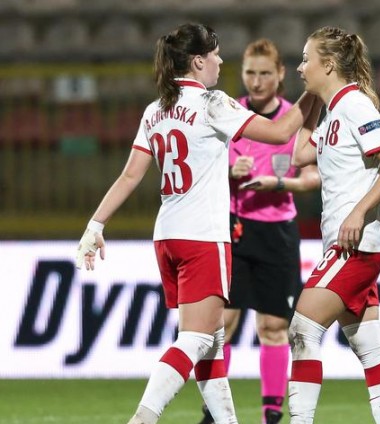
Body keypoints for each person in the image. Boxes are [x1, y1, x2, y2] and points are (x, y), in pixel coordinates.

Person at [75, 23, 315, 424]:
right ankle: (143, 417)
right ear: (199, 61)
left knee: (213, 341)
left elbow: (130, 176)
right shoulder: (212, 103)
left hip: (167, 237)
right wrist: (316, 89)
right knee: (197, 339)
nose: (221, 62)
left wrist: (95, 226)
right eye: (216, 55)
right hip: (203, 236)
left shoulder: (156, 109)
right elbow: (279, 132)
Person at [287, 26, 380, 424]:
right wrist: (313, 98)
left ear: (329, 65)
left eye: (306, 60)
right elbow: (300, 154)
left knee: (302, 330)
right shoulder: (334, 111)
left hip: (354, 245)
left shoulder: (355, 105)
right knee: (370, 349)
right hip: (346, 245)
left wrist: (358, 211)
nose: (300, 67)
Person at [196, 38, 320, 424]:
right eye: (250, 72)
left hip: (277, 232)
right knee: (221, 325)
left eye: (265, 73)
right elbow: (200, 168)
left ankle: (271, 413)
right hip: (233, 229)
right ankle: (214, 412)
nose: (256, 81)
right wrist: (227, 172)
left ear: (280, 74)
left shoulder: (293, 119)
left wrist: (278, 183)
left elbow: (312, 176)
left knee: (273, 326)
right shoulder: (227, 113)